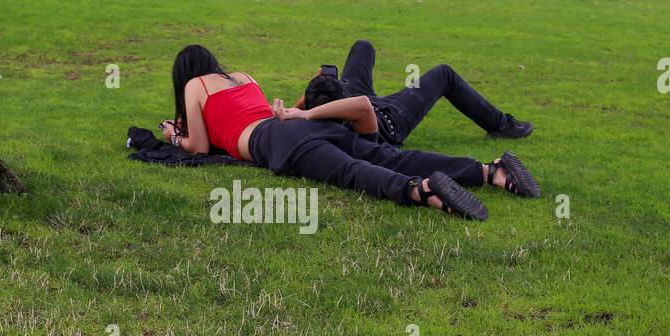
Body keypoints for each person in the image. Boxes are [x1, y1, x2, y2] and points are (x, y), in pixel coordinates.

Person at [159, 45, 541, 222]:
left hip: (274, 139)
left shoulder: (194, 85)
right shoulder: (242, 76)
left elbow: (201, 146)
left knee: (347, 171)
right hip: (300, 123)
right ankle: (490, 171)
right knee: (386, 155)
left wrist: (173, 137)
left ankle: (418, 190)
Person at [300, 40, 533, 147]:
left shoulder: (302, 124)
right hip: (390, 117)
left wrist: (316, 89)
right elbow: (361, 105)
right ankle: (501, 125)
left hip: (348, 100)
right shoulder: (350, 131)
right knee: (444, 74)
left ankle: (327, 86)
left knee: (363, 46)